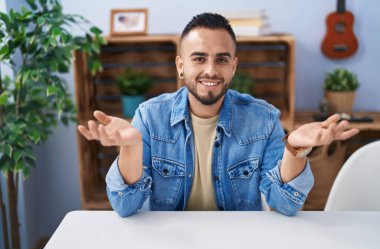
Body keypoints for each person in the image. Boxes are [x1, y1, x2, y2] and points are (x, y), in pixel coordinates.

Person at [77, 13, 359, 217]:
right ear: (180, 66)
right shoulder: (149, 117)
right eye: (199, 58)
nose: (211, 70)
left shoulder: (264, 119)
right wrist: (131, 148)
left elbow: (285, 205)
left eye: (221, 59)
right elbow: (126, 207)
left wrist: (294, 150)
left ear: (233, 67)